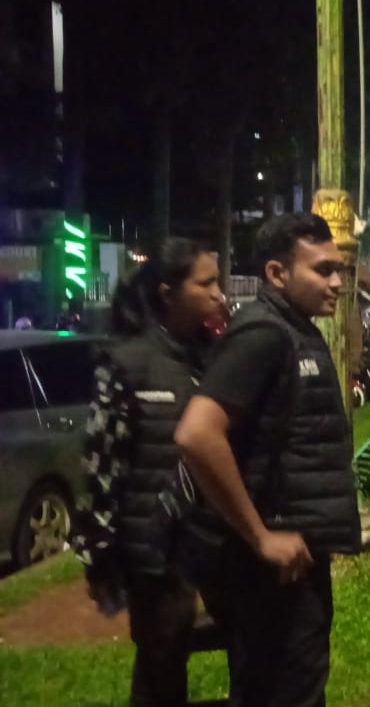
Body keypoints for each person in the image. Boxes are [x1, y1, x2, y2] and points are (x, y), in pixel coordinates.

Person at [174, 212, 360, 707]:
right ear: (277, 273)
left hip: (293, 557)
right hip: (267, 566)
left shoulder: (294, 329)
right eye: (323, 270)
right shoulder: (264, 334)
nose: (337, 282)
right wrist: (260, 536)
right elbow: (197, 434)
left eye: (338, 269)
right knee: (283, 690)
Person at [72, 238, 224, 706]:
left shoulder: (214, 358)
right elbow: (101, 464)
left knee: (249, 644)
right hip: (156, 551)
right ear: (168, 293)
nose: (219, 293)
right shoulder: (127, 362)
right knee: (162, 668)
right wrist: (100, 554)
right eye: (206, 283)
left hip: (216, 541)